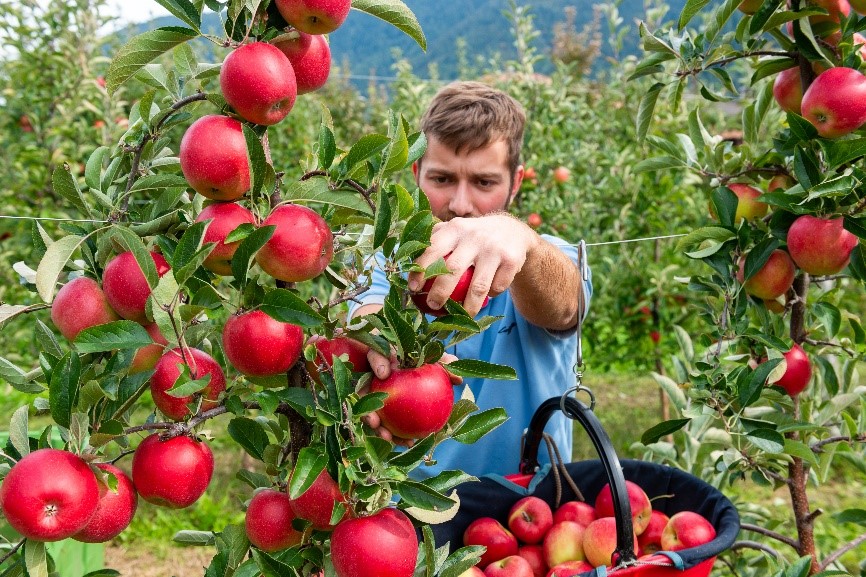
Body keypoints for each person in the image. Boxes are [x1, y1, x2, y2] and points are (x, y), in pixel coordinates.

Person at [348, 81, 593, 479]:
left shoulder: (548, 257)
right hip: (411, 516)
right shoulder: (388, 262)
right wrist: (389, 351)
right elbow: (367, 313)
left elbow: (566, 306)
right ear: (417, 173)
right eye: (442, 179)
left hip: (530, 507)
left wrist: (520, 238)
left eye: (484, 183)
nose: (460, 206)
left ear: (514, 183)